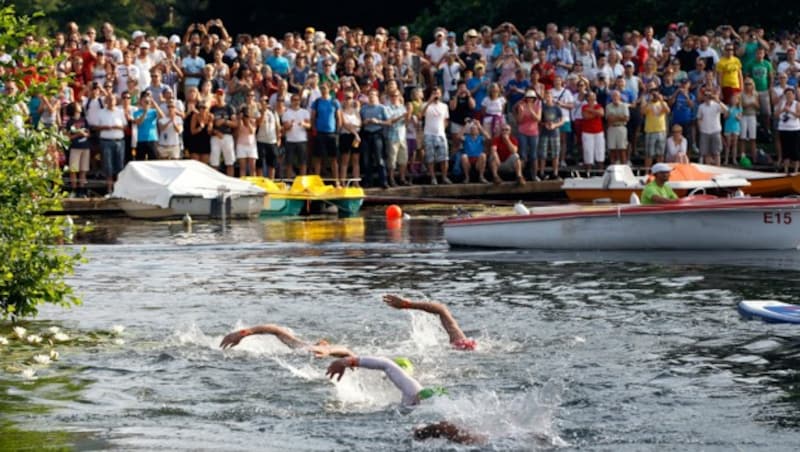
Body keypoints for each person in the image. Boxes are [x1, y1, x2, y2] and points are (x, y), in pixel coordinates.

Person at [382, 294, 477, 350]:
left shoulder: (463, 345)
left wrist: (407, 304)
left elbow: (441, 309)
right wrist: (407, 304)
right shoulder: (464, 345)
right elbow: (441, 309)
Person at [219, 324, 354, 358]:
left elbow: (347, 353)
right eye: (321, 343)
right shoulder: (303, 347)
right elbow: (275, 330)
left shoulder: (325, 351)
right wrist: (243, 333)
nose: (322, 345)